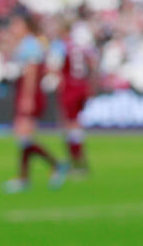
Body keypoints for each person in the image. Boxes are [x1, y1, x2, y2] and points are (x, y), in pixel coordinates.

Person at [1, 11, 67, 193]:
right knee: (25, 137)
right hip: (25, 90)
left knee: (23, 134)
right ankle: (28, 176)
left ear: (26, 27)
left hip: (29, 92)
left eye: (17, 25)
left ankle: (51, 166)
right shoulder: (28, 44)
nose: (13, 28)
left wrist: (27, 97)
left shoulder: (30, 45)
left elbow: (31, 73)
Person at [51, 15, 97, 177]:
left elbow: (54, 67)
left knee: (68, 126)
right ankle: (80, 162)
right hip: (82, 87)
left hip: (69, 88)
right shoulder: (80, 46)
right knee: (76, 125)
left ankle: (76, 163)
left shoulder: (61, 46)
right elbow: (92, 62)